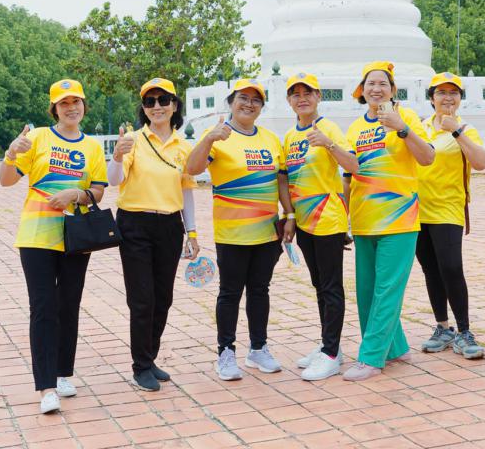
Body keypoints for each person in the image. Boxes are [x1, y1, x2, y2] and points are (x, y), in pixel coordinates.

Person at [0, 79, 108, 415]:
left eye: (76, 102)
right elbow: (6, 180)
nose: (71, 108)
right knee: (44, 308)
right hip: (36, 237)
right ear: (54, 109)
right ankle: (46, 387)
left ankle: (62, 374)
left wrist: (75, 194)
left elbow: (98, 192)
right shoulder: (37, 138)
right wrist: (11, 153)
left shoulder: (92, 147)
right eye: (64, 103)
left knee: (69, 306)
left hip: (76, 237)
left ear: (84, 105)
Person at [185, 78, 286, 381]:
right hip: (232, 234)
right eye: (243, 98)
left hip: (267, 232)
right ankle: (225, 352)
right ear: (231, 102)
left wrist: (290, 215)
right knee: (230, 293)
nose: (249, 104)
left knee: (260, 290)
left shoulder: (271, 139)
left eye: (256, 100)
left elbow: (281, 181)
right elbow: (192, 169)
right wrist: (208, 139)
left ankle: (258, 348)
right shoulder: (219, 135)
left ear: (261, 107)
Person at [341, 61, 435, 382]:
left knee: (387, 291)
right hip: (364, 220)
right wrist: (344, 217)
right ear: (362, 90)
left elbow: (427, 157)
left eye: (383, 84)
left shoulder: (406, 118)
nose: (376, 89)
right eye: (371, 84)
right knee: (367, 292)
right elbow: (348, 175)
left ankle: (371, 357)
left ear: (393, 90)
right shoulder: (355, 127)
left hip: (400, 220)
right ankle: (396, 348)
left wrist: (401, 128)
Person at [107, 77, 200, 392]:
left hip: (170, 226)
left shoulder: (183, 147)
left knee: (163, 298)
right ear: (143, 108)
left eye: (163, 100)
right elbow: (114, 180)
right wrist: (117, 156)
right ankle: (141, 366)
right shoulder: (133, 140)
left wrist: (192, 232)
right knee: (142, 299)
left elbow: (186, 191)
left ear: (174, 105)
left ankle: (150, 357)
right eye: (150, 101)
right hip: (135, 224)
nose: (157, 106)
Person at [278, 72, 358, 381]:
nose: (302, 98)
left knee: (331, 286)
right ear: (289, 100)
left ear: (318, 96)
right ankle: (328, 344)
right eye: (295, 94)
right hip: (304, 222)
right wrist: (289, 215)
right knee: (318, 285)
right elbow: (285, 178)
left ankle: (332, 354)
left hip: (328, 218)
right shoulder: (289, 136)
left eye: (308, 92)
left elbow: (353, 166)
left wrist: (328, 144)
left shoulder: (329, 128)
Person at [415, 72, 485, 360]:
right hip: (417, 210)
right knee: (431, 270)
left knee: (451, 267)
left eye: (453, 92)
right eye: (441, 92)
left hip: (448, 208)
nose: (447, 98)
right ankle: (443, 328)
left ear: (460, 98)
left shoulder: (466, 129)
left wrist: (456, 132)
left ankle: (464, 331)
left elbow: (481, 162)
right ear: (431, 98)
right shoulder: (420, 127)